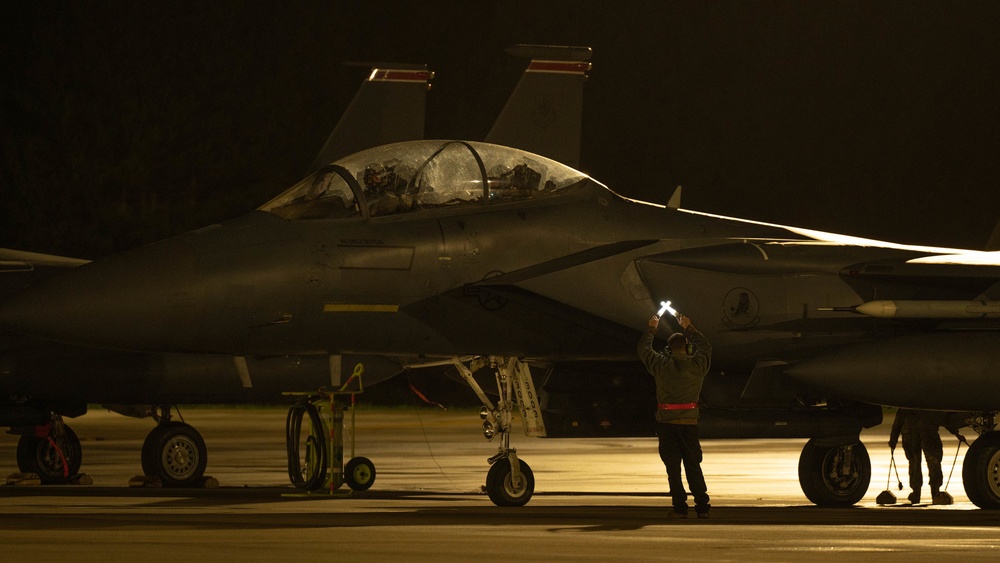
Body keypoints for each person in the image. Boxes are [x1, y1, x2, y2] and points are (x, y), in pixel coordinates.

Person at [638, 312, 712, 519]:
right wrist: (689, 327)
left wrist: (652, 327)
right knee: (693, 467)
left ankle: (680, 508)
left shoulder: (661, 365)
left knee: (673, 469)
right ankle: (703, 508)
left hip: (667, 426)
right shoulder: (698, 366)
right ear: (688, 348)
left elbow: (643, 349)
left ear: (668, 350)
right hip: (690, 426)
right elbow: (706, 347)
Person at [888, 408, 967, 505]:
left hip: (916, 434)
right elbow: (943, 418)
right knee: (930, 462)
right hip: (926, 433)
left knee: (918, 463)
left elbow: (897, 423)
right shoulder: (928, 402)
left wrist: (893, 439)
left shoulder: (906, 403)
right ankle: (932, 492)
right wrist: (956, 433)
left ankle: (921, 493)